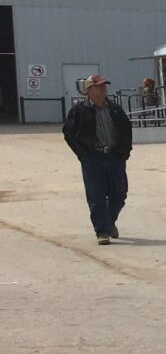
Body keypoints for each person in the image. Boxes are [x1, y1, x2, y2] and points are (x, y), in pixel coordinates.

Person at [62, 74, 133, 244]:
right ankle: (102, 231)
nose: (103, 89)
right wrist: (82, 155)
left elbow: (126, 129)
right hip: (92, 158)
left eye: (104, 86)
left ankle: (108, 222)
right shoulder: (78, 111)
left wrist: (124, 152)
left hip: (114, 157)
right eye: (99, 86)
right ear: (89, 90)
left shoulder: (115, 109)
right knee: (96, 197)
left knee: (119, 194)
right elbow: (68, 133)